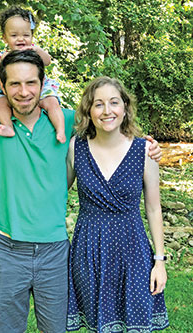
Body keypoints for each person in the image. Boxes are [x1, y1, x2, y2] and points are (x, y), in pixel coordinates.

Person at [0, 51, 162, 333]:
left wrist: (147, 147)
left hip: (56, 253)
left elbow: (109, 122)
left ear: (43, 84)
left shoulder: (65, 122)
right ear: (3, 86)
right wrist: (0, 77)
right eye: (15, 84)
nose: (24, 92)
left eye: (31, 83)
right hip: (7, 252)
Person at [66, 77, 169, 332]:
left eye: (114, 102)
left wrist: (159, 261)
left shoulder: (145, 151)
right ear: (89, 111)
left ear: (125, 107)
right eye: (98, 104)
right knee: (96, 324)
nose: (107, 111)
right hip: (89, 250)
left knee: (134, 322)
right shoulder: (75, 148)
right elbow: (55, 194)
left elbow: (154, 209)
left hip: (133, 251)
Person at [0, 6, 66, 143]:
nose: (20, 39)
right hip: (10, 90)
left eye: (26, 35)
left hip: (40, 87)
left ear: (31, 36)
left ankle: (60, 130)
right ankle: (8, 126)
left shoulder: (34, 50)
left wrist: (37, 50)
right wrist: (2, 60)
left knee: (52, 103)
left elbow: (47, 61)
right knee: (0, 103)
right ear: (4, 38)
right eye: (14, 35)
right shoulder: (3, 56)